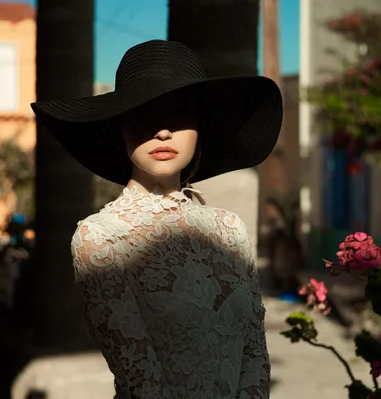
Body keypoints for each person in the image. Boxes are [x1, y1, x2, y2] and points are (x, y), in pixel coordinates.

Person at [31, 40, 283, 399]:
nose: (163, 131)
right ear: (120, 127)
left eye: (180, 113)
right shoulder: (100, 239)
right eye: (143, 113)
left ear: (200, 127)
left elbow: (256, 352)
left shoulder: (230, 229)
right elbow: (140, 380)